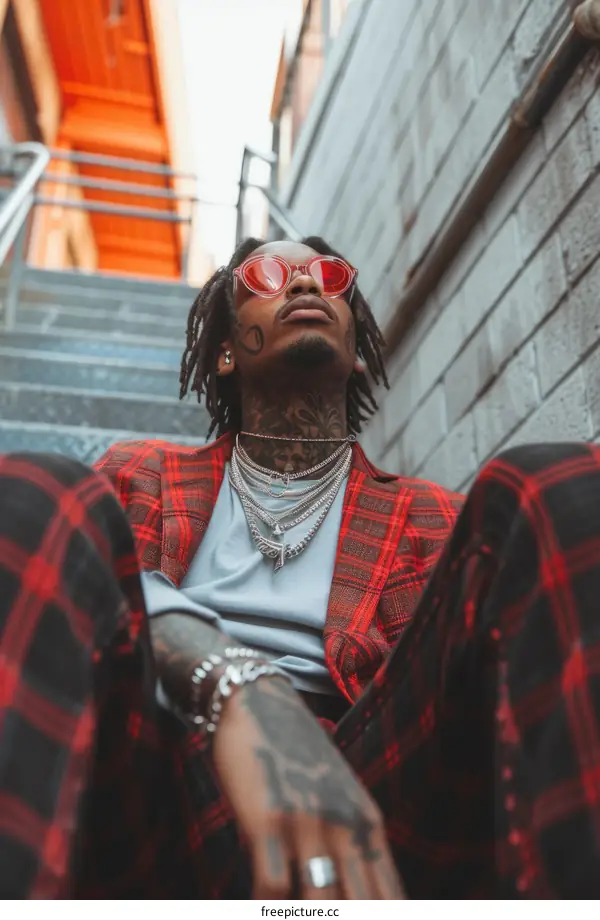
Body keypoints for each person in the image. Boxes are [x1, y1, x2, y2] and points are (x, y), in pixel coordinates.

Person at [1, 236, 600, 899]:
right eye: (270, 275)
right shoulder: (138, 475)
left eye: (329, 277)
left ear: (357, 351)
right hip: (160, 774)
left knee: (559, 484)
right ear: (226, 350)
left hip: (376, 792)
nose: (308, 285)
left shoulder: (440, 518)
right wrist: (238, 684)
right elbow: (95, 606)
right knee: (35, 491)